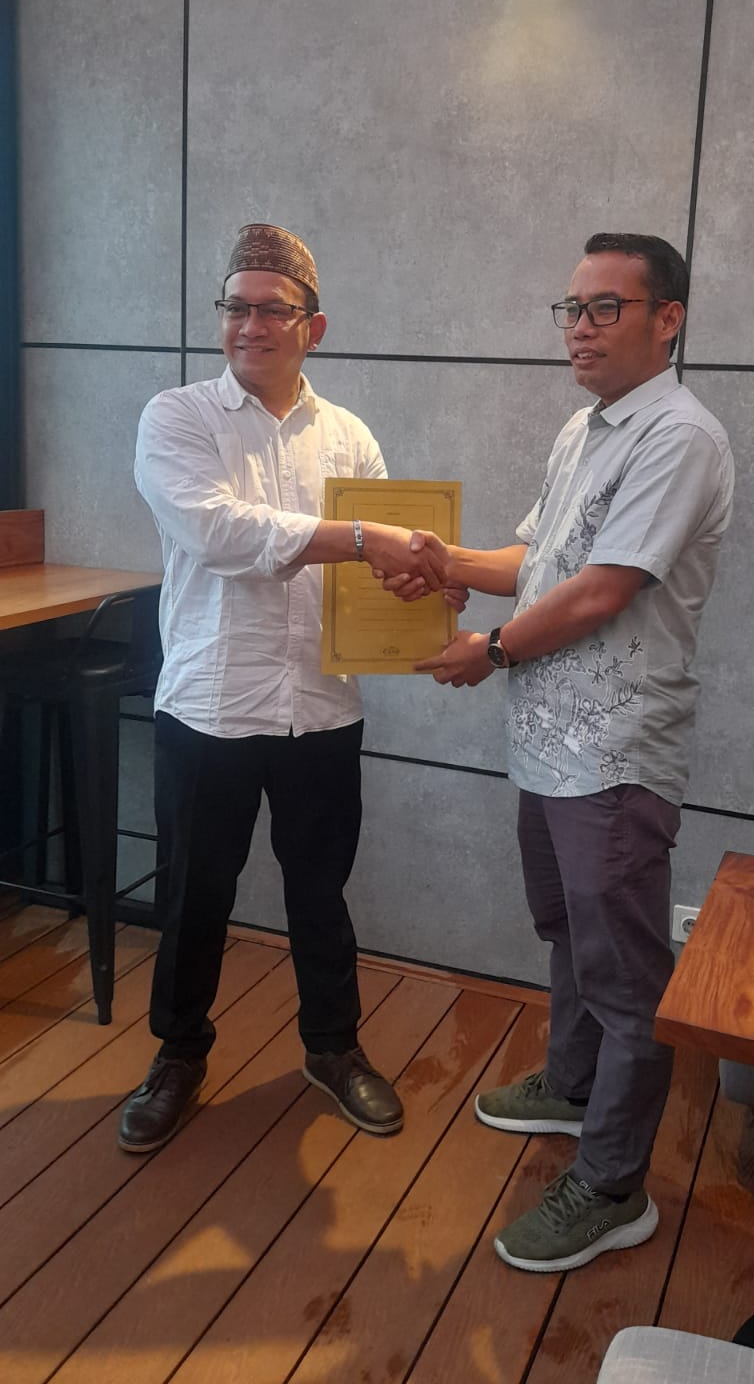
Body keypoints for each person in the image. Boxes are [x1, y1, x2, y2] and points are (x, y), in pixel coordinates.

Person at [404, 233, 734, 1272]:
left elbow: (600, 592)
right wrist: (446, 561)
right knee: (567, 930)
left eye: (605, 308)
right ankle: (575, 1084)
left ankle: (613, 1184)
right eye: (572, 309)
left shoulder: (680, 437)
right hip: (549, 744)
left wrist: (492, 649)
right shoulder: (584, 428)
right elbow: (542, 561)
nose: (578, 329)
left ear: (667, 319)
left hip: (616, 754)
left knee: (626, 974)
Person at [123, 222, 450, 1154]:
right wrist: (365, 540)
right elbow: (219, 533)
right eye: (236, 306)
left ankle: (333, 1049)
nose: (250, 324)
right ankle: (178, 1053)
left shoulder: (349, 437)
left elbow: (379, 567)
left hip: (322, 704)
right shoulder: (177, 417)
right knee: (194, 893)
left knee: (320, 890)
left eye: (273, 309)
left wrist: (425, 580)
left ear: (315, 327)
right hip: (210, 704)